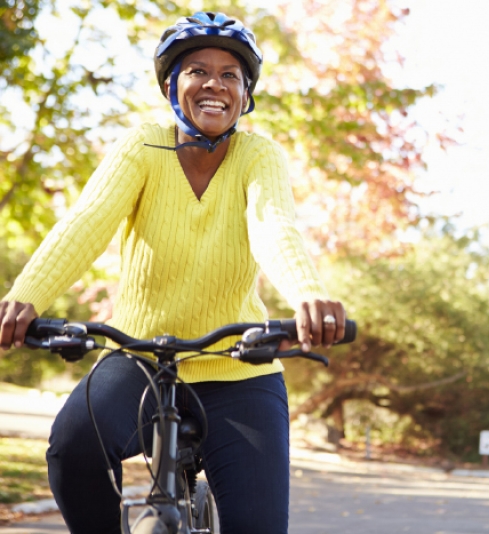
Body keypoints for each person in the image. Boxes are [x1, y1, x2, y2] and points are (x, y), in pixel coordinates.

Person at [0, 12, 345, 534]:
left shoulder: (258, 155)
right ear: (170, 86)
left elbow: (273, 226)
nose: (214, 84)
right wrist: (25, 297)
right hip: (138, 358)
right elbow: (87, 222)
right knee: (71, 450)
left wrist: (308, 295)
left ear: (245, 95)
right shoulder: (143, 146)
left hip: (238, 369)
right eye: (197, 71)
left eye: (231, 75)